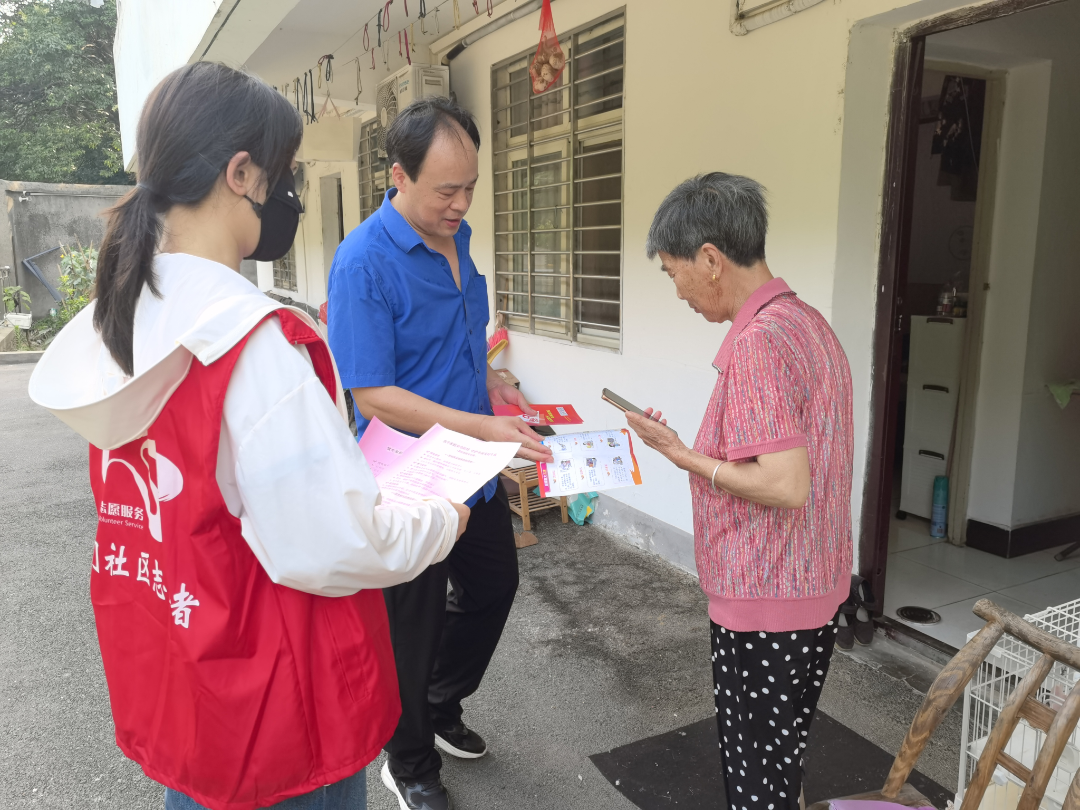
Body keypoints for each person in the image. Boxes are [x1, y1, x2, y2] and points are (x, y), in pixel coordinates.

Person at [28, 62, 471, 810]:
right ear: (241, 174)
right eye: (284, 171)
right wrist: (439, 521)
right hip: (281, 714)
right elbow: (331, 544)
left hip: (191, 686)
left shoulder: (125, 318)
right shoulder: (251, 342)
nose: (289, 193)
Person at [327, 97, 553, 810]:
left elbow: (459, 342)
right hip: (408, 477)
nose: (460, 204)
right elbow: (372, 395)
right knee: (411, 628)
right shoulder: (363, 261)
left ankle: (436, 702)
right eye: (446, 190)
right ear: (398, 176)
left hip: (471, 469)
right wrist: (480, 427)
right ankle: (410, 761)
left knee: (493, 589)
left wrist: (495, 386)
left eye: (470, 188)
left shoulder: (458, 237)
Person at [625, 173, 854, 809]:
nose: (677, 291)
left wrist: (682, 455)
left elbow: (785, 484)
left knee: (756, 780)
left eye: (672, 273)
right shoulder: (807, 323)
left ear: (710, 259)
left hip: (766, 596)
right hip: (813, 585)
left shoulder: (759, 343)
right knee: (783, 760)